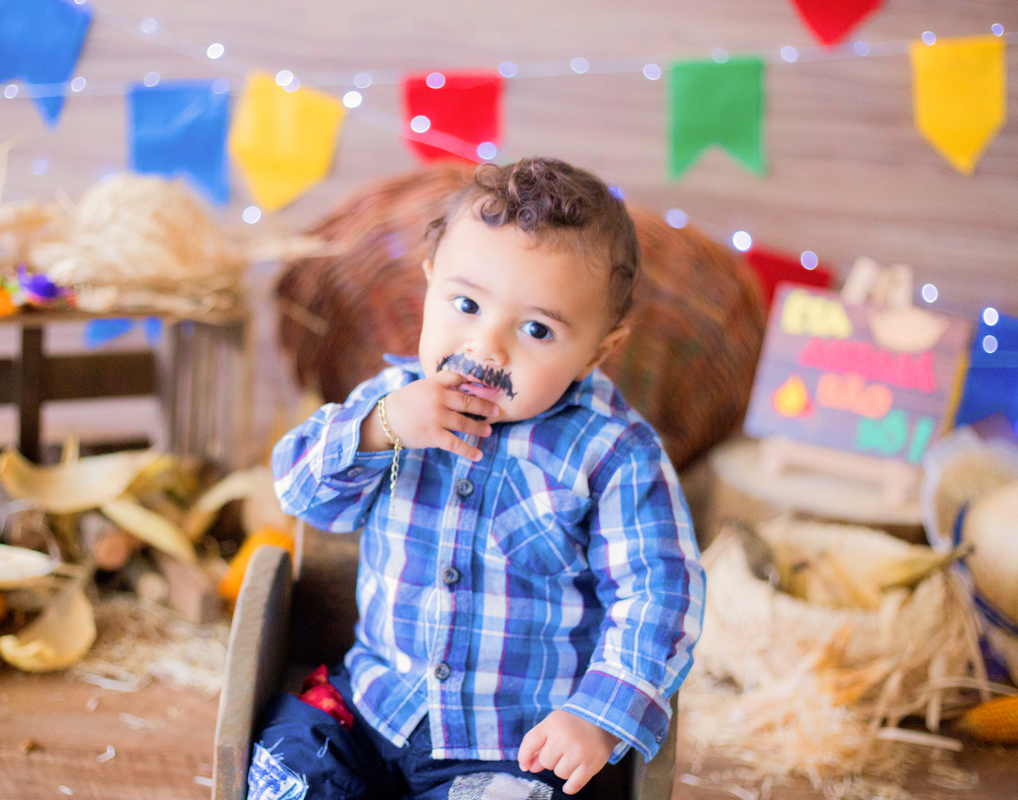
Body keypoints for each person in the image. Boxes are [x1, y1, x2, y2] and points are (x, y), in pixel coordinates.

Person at [259, 157, 704, 800]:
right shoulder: (392, 402)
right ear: (429, 284)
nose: (487, 347)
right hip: (372, 709)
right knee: (286, 762)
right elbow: (302, 494)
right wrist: (379, 427)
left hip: (511, 747)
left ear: (600, 349)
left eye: (537, 329)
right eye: (465, 304)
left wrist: (598, 716)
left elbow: (662, 592)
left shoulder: (614, 453)